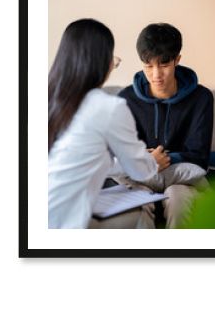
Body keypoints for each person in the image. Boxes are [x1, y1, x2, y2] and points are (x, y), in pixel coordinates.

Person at [48, 18, 170, 229]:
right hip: (62, 224)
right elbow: (142, 171)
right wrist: (152, 162)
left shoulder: (49, 100)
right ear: (102, 60)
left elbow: (80, 158)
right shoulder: (108, 107)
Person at [118, 23, 214, 228]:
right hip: (139, 179)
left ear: (177, 60)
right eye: (148, 65)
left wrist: (163, 159)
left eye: (163, 64)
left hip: (182, 180)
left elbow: (199, 155)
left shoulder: (201, 98)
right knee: (135, 210)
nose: (156, 75)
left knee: (178, 201)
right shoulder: (125, 99)